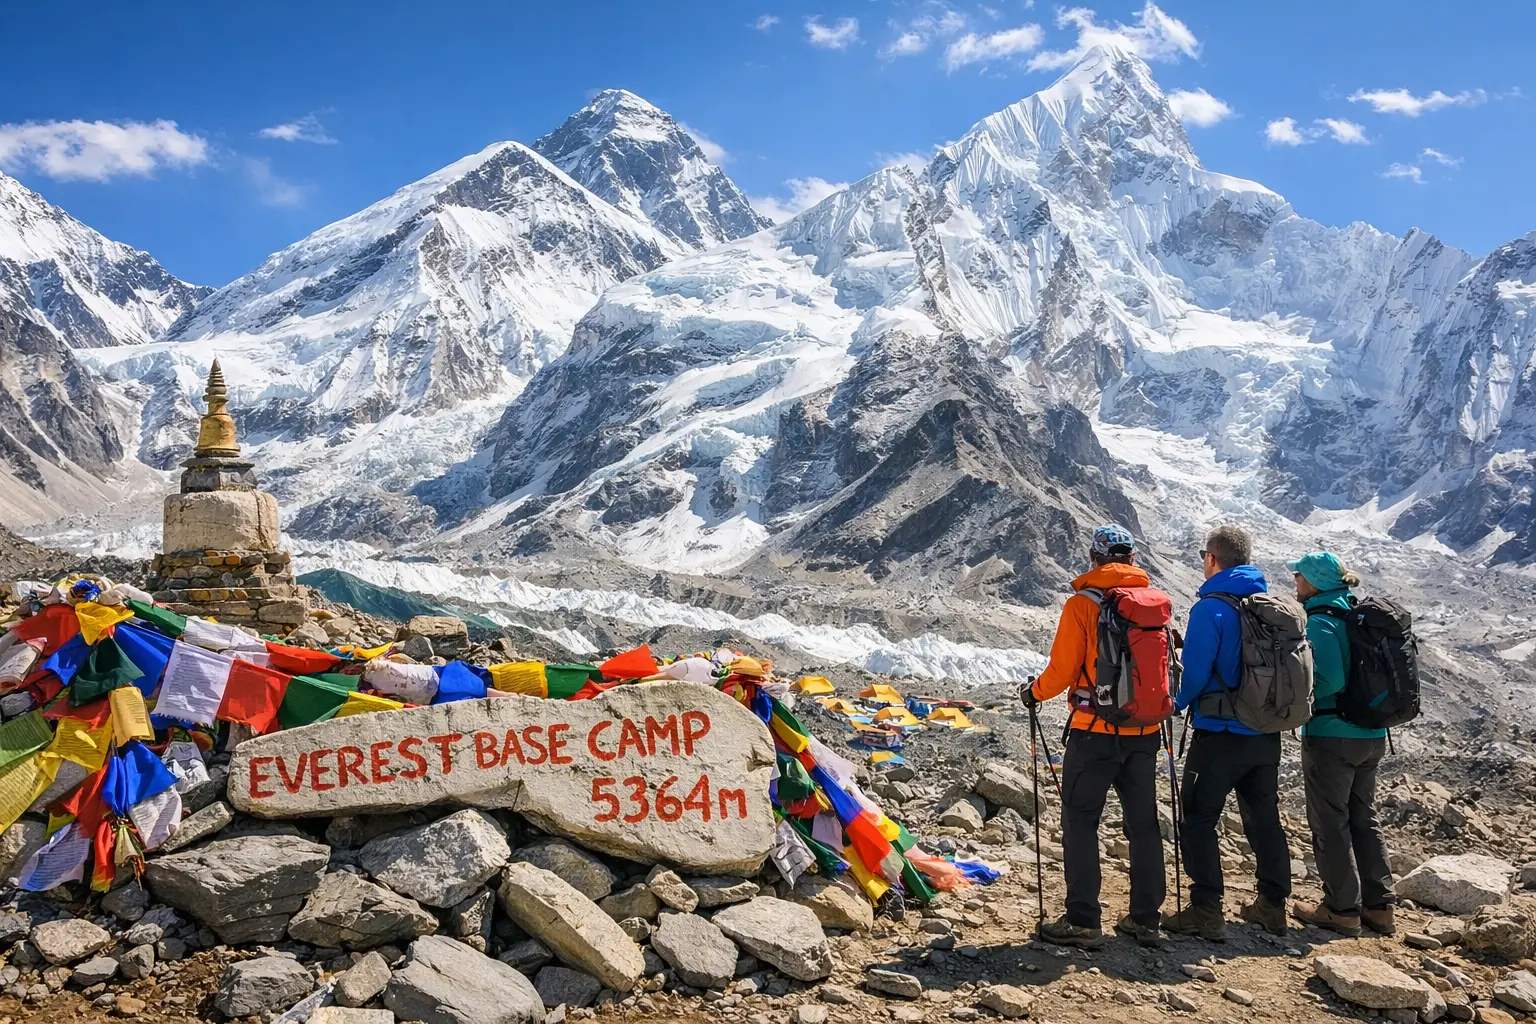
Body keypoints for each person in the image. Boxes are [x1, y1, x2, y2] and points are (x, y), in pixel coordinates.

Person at [1025, 524, 1166, 948]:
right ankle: (1146, 919)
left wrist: (1032, 693)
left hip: (1094, 731)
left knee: (1081, 821)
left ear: (1094, 559)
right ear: (1133, 560)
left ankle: (1084, 920)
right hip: (1145, 730)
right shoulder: (1153, 603)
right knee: (1143, 824)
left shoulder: (1081, 604)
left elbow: (1063, 671)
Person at [1162, 525, 1291, 940]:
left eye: (1203, 555)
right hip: (1265, 734)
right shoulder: (1268, 604)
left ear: (1212, 559)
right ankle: (1272, 906)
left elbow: (1197, 672)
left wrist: (1175, 704)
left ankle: (1206, 910)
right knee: (1263, 818)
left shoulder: (1210, 608)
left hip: (1219, 734)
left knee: (1198, 818)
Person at [1288, 552, 1396, 937]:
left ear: (1315, 582)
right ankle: (1379, 907)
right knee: (1363, 817)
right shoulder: (1357, 616)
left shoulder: (1321, 622)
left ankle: (1341, 909)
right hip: (1371, 735)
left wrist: (1295, 698)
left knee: (1330, 822)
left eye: (1299, 575)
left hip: (1333, 734)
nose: (1295, 581)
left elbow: (1328, 680)